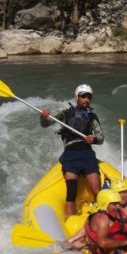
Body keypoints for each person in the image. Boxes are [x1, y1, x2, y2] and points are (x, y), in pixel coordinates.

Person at [41, 84, 104, 217]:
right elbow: (45, 124)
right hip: (71, 153)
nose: (86, 100)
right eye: (83, 96)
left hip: (87, 153)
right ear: (77, 97)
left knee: (97, 191)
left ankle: (103, 218)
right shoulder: (65, 111)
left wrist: (93, 139)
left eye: (89, 97)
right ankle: (71, 220)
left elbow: (101, 137)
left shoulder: (93, 117)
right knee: (71, 193)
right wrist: (44, 116)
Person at [66, 189, 127, 254]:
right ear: (104, 204)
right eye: (114, 204)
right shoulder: (102, 218)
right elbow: (103, 243)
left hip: (117, 253)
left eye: (118, 203)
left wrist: (75, 244)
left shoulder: (97, 219)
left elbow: (75, 237)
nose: (117, 206)